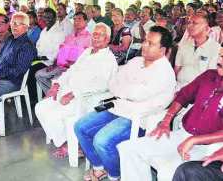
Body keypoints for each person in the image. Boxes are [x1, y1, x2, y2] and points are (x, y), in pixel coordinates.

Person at [119, 38, 223, 181]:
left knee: (168, 172)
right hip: (183, 134)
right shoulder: (210, 76)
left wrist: (195, 140)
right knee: (128, 149)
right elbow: (183, 95)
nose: (218, 60)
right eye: (219, 56)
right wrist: (166, 121)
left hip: (210, 147)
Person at [74, 26, 176, 181]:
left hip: (138, 119)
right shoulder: (136, 61)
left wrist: (125, 90)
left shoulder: (164, 72)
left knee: (102, 140)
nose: (144, 45)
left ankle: (115, 174)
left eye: (150, 43)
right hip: (118, 107)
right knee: (80, 127)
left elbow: (137, 94)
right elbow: (113, 83)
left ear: (162, 50)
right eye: (144, 41)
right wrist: (126, 91)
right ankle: (100, 167)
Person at [35, 23, 118, 158]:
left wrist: (74, 94)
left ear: (107, 39)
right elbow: (71, 70)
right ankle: (65, 140)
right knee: (40, 107)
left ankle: (73, 145)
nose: (95, 37)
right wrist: (56, 85)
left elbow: (102, 85)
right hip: (66, 90)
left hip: (84, 98)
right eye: (94, 34)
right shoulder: (87, 51)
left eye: (100, 35)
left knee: (53, 115)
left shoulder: (108, 59)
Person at [35, 12, 91, 94]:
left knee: (58, 80)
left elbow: (88, 58)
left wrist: (73, 64)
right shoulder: (69, 37)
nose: (76, 22)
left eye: (79, 19)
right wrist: (54, 64)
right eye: (75, 19)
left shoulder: (89, 38)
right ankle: (53, 96)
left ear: (86, 22)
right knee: (39, 74)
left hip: (75, 69)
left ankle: (56, 95)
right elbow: (60, 52)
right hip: (61, 66)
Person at [175, 13, 220, 89]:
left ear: (206, 28)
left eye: (195, 23)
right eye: (189, 23)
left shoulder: (216, 48)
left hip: (198, 91)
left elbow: (210, 78)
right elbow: (177, 68)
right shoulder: (184, 45)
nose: (189, 26)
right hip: (178, 87)